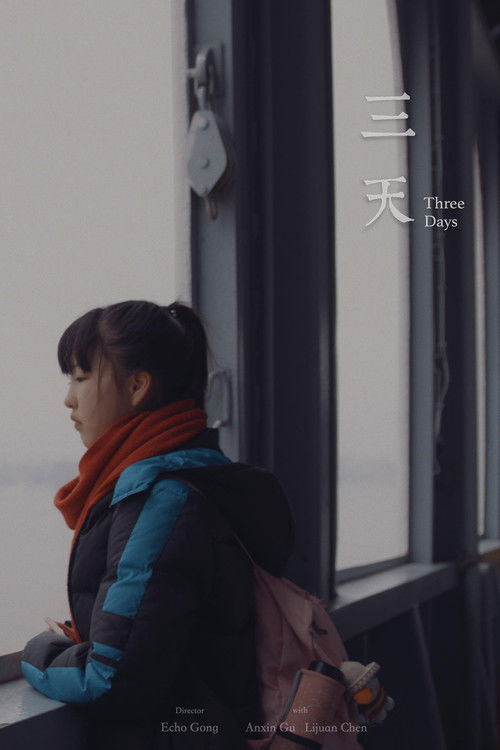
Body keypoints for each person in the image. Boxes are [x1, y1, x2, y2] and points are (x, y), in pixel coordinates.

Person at [21, 300, 293, 749]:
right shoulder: (198, 482)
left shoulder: (163, 502)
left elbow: (110, 680)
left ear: (137, 386)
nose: (69, 398)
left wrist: (38, 651)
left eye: (81, 377)